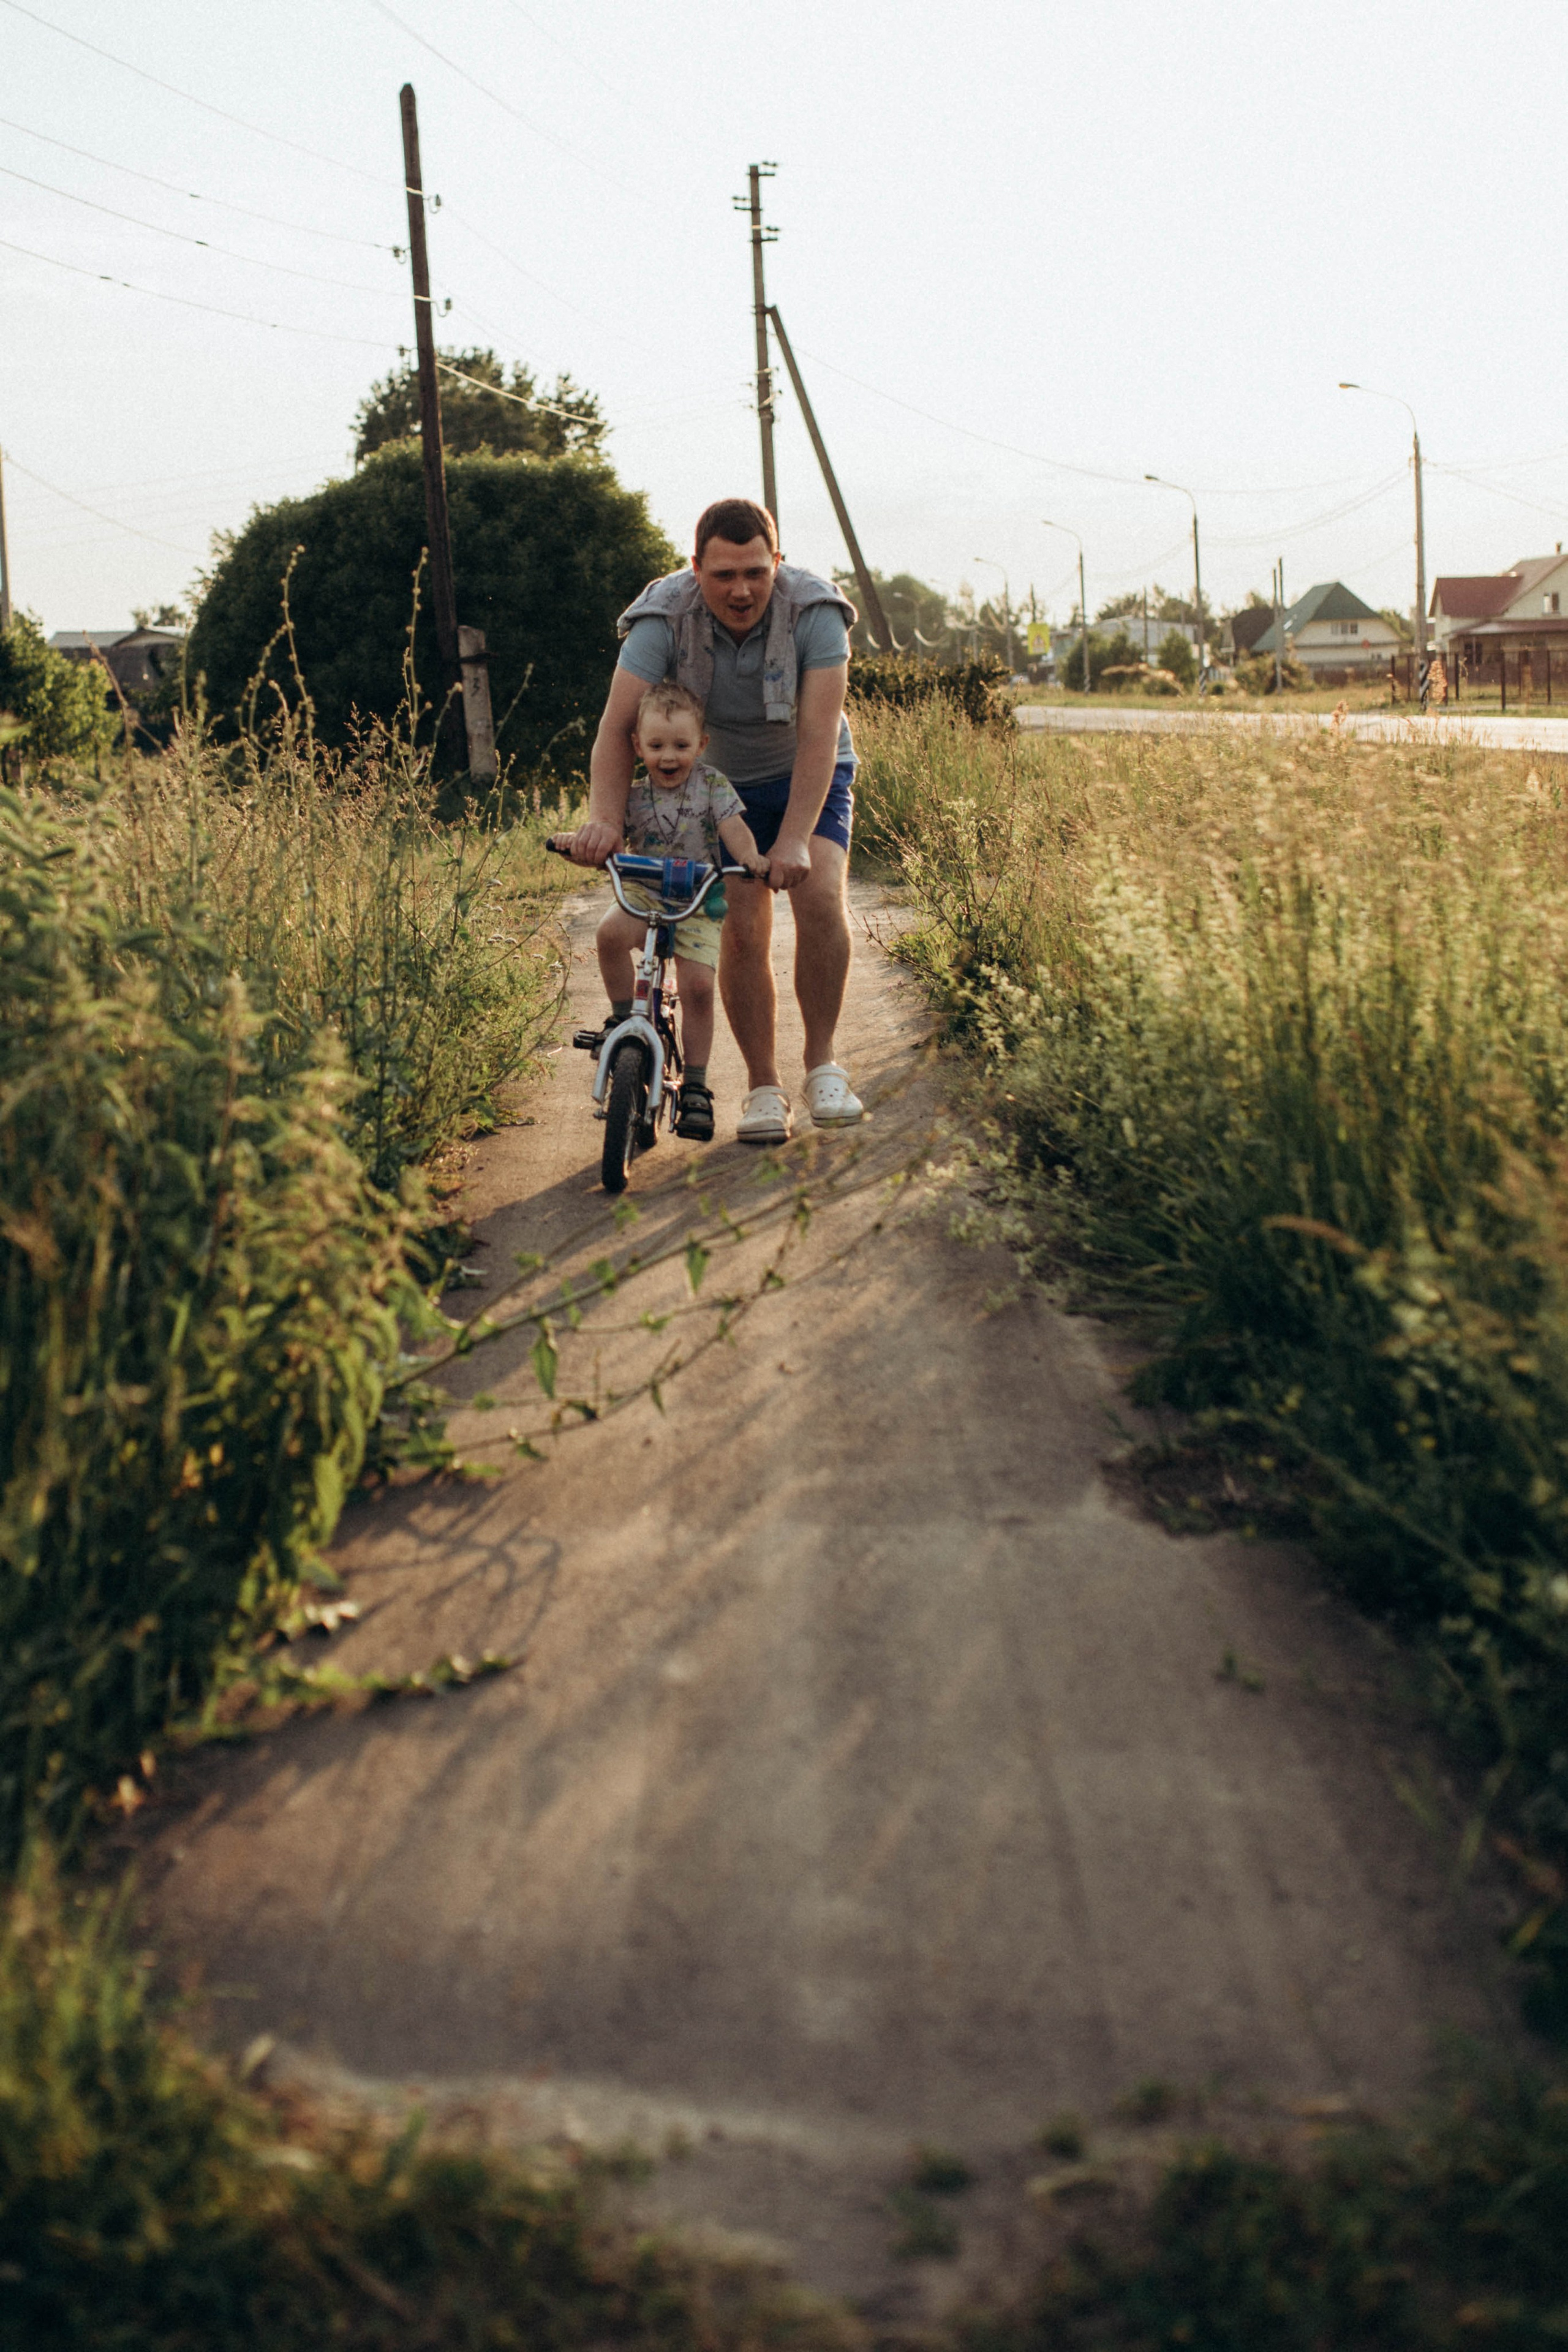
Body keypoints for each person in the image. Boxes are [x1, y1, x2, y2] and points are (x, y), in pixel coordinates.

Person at [565, 497, 863, 1145]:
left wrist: (790, 840)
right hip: (722, 786)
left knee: (817, 897)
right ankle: (764, 1087)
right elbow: (617, 730)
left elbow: (817, 737)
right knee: (742, 924)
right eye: (724, 574)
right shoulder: (663, 616)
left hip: (808, 772)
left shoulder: (815, 613)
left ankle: (821, 1065)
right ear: (695, 568)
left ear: (776, 563)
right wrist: (606, 821)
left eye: (756, 571)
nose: (742, 589)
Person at [592, 681, 764, 1144]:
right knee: (609, 934)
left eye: (681, 746)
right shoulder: (630, 795)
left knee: (699, 988)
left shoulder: (712, 786)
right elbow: (605, 832)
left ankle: (696, 1085)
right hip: (644, 895)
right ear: (637, 746)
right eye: (656, 746)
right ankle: (620, 1016)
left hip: (695, 902)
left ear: (702, 745)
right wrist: (583, 843)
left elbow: (735, 828)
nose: (669, 757)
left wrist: (750, 858)